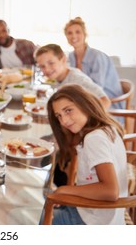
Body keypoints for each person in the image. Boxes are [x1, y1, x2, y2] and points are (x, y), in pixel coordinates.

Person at [43, 84, 128, 224]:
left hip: (92, 221)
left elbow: (111, 191)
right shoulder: (107, 128)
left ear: (85, 105)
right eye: (59, 116)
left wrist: (64, 190)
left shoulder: (94, 139)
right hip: (104, 216)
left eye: (68, 110)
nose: (63, 121)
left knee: (29, 219)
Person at [64, 17, 124, 109]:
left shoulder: (97, 57)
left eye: (78, 32)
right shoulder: (71, 56)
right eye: (69, 33)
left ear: (85, 34)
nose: (73, 36)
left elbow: (97, 88)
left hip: (107, 103)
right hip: (86, 101)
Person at [35, 43, 111, 109]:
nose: (47, 69)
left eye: (51, 63)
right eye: (42, 66)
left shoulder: (77, 79)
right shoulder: (59, 78)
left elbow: (105, 101)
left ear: (63, 60)